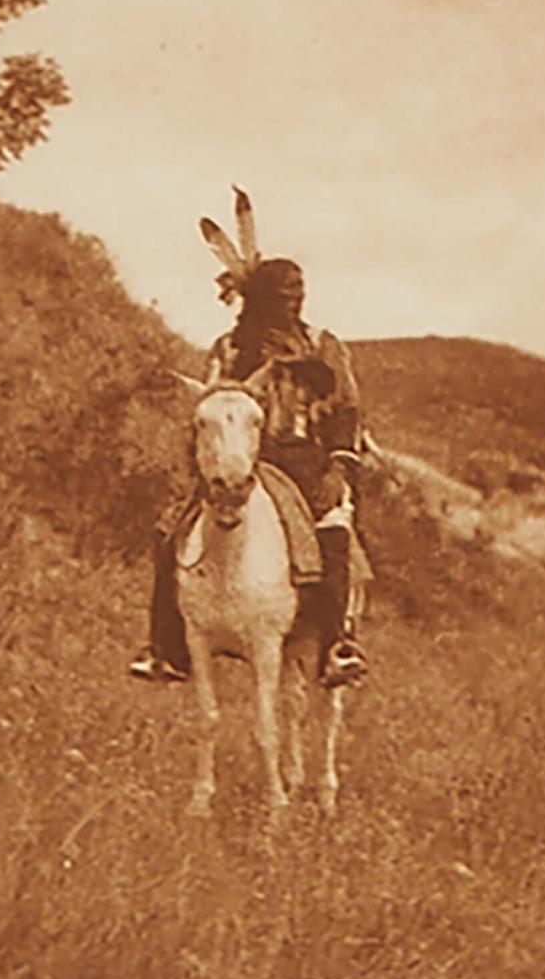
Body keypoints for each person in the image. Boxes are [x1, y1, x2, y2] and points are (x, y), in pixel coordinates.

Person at [128, 255, 369, 689]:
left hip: (304, 462)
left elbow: (346, 412)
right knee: (171, 532)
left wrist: (337, 467)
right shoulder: (229, 349)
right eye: (282, 297)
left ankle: (336, 646)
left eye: (299, 294)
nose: (294, 303)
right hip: (239, 458)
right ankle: (166, 649)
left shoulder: (323, 345)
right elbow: (210, 407)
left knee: (334, 531)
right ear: (257, 300)